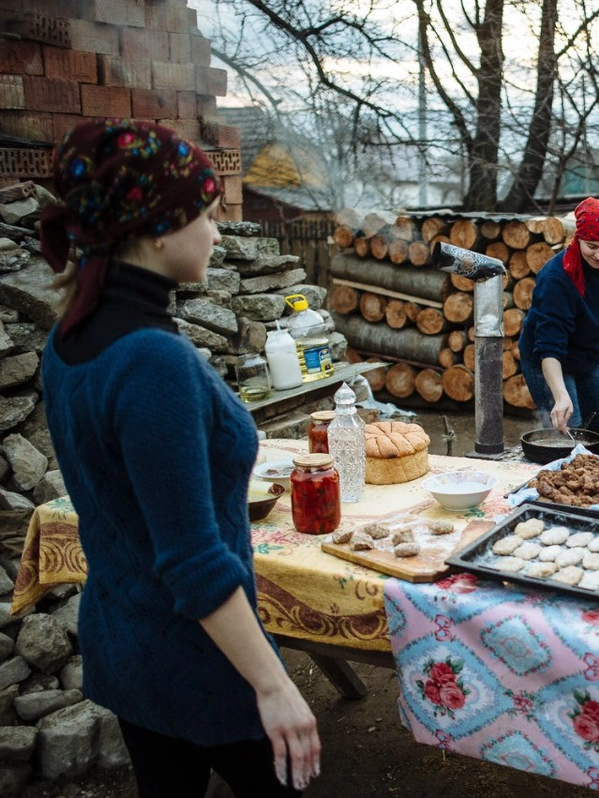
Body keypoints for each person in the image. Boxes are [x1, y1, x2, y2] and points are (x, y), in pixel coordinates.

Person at [38, 120, 320, 797]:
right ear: (158, 227)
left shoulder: (68, 336)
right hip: (201, 661)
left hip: (126, 642)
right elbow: (191, 560)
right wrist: (274, 684)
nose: (218, 233)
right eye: (208, 214)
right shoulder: (151, 360)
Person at [518, 197, 599, 441]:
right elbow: (549, 348)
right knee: (571, 436)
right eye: (591, 246)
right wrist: (560, 394)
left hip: (589, 356)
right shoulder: (557, 278)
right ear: (578, 239)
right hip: (550, 360)